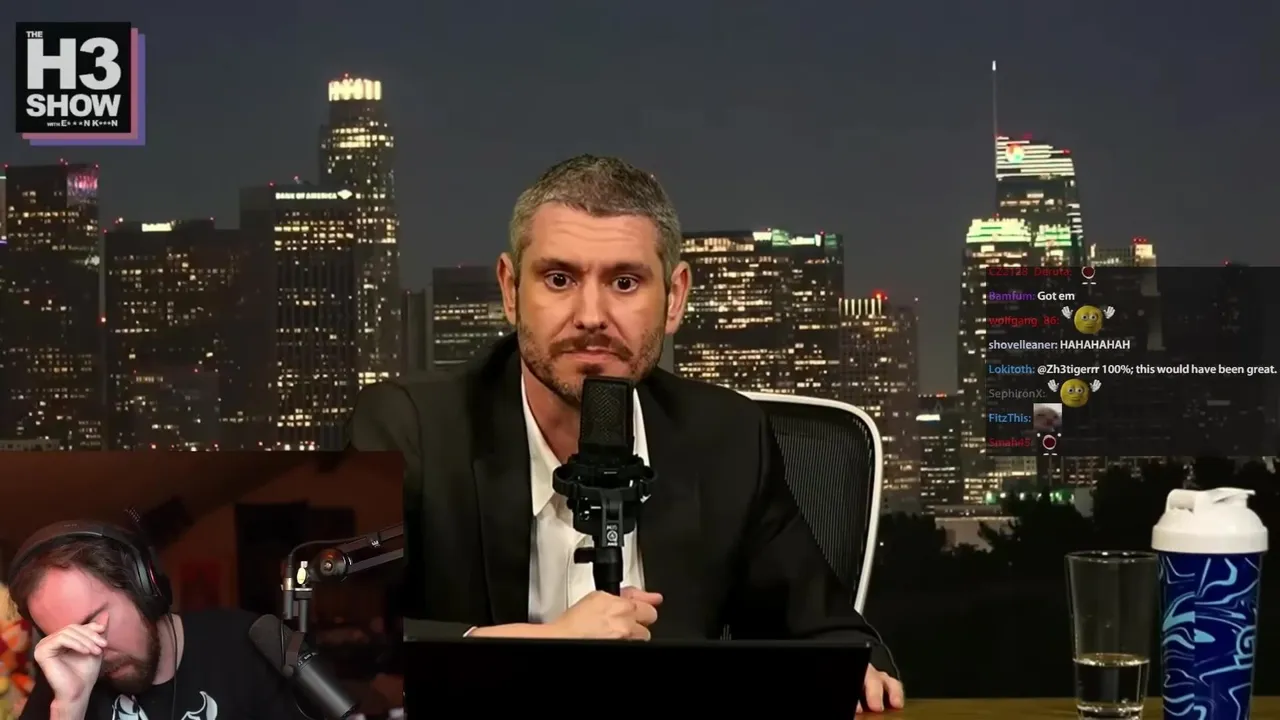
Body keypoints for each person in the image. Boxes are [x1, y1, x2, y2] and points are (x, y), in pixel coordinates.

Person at [348, 154, 905, 713]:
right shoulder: (404, 426)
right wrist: (531, 651)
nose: (591, 315)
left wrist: (855, 670)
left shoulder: (728, 436)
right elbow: (323, 642)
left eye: (625, 282)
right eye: (559, 279)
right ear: (511, 290)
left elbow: (833, 636)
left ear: (675, 297)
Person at [7, 522, 308, 720]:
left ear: (142, 587)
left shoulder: (247, 644)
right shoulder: (62, 688)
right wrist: (69, 708)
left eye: (94, 622)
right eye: (70, 641)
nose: (92, 649)